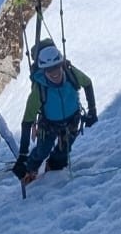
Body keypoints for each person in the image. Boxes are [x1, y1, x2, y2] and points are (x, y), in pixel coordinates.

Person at [13, 44, 96, 187]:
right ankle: (30, 169)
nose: (54, 72)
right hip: (49, 125)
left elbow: (87, 83)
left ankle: (53, 167)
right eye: (49, 69)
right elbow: (27, 122)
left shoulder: (71, 74)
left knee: (62, 154)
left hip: (71, 122)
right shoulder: (39, 88)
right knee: (41, 151)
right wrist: (22, 156)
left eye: (56, 66)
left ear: (61, 64)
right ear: (43, 70)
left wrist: (92, 110)